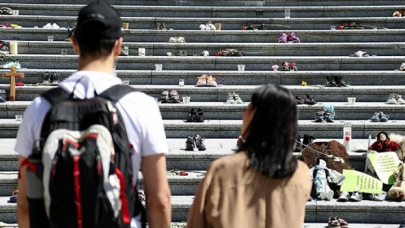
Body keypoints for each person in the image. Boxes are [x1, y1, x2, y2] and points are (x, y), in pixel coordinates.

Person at [15, 1, 171, 228]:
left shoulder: (40, 107)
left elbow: (26, 201)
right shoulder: (142, 106)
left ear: (75, 44)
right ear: (118, 46)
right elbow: (159, 200)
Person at [187, 84, 312, 228]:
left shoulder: (222, 170)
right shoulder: (301, 173)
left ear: (256, 116)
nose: (243, 115)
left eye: (248, 108)